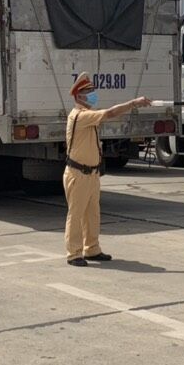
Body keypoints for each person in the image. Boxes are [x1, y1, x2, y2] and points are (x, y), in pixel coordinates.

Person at [63, 72, 151, 266]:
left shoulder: (88, 115)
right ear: (79, 96)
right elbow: (110, 113)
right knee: (76, 214)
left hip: (91, 173)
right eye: (89, 92)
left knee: (92, 213)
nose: (93, 95)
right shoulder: (80, 115)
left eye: (92, 91)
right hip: (78, 174)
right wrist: (133, 103)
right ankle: (73, 253)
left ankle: (91, 249)